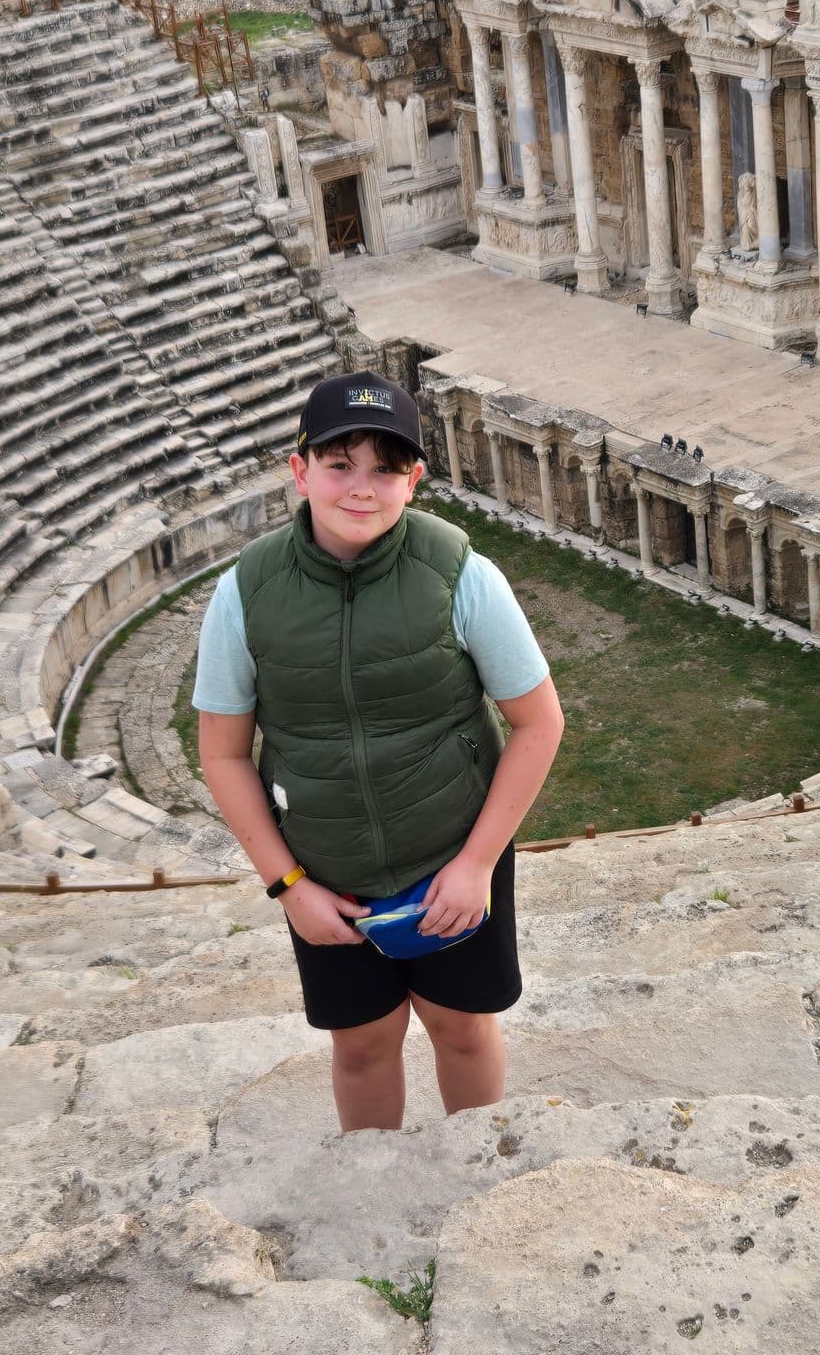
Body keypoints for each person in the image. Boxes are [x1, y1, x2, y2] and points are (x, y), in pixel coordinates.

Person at [192, 370, 564, 1132]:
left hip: (452, 861)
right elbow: (223, 752)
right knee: (360, 1044)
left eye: (387, 469)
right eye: (340, 465)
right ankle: (371, 1187)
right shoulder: (247, 590)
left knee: (462, 1026)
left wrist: (474, 866)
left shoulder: (459, 572)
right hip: (326, 873)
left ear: (415, 481)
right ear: (299, 471)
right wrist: (289, 885)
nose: (362, 488)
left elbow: (538, 722)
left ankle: (478, 1170)